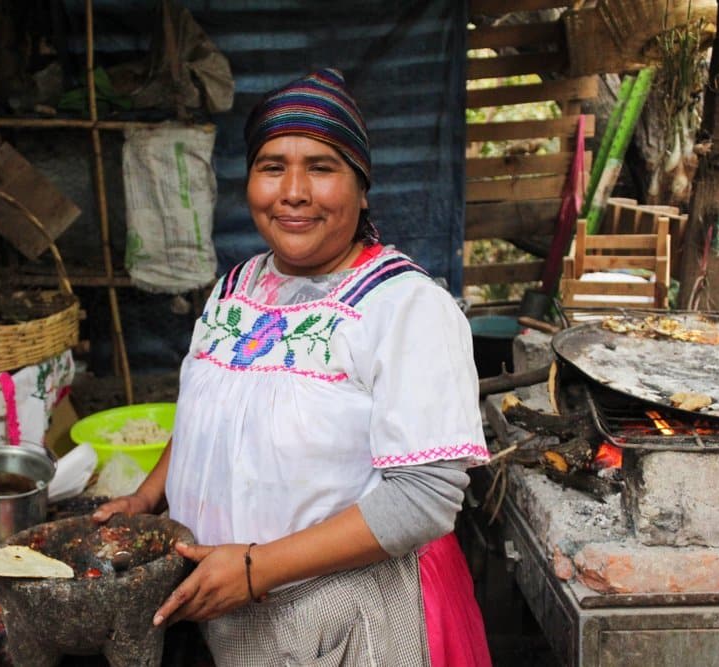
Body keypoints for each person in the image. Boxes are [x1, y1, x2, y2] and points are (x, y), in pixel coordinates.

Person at [93, 68, 492, 667]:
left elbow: (423, 498)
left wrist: (257, 569)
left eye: (322, 168)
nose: (294, 192)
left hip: (341, 621)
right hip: (225, 611)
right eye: (273, 166)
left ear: (361, 188)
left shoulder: (405, 307)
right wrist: (146, 498)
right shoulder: (236, 287)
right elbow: (210, 418)